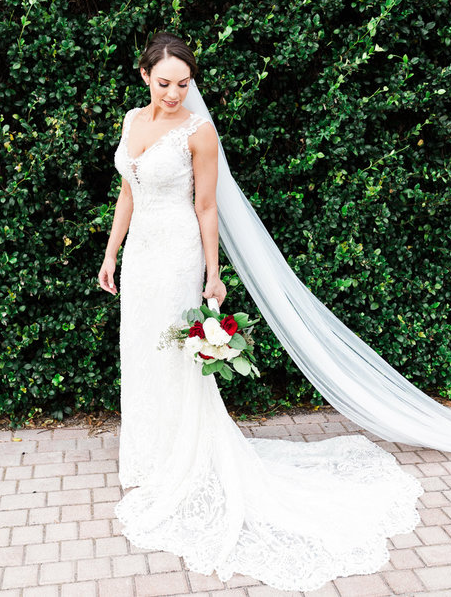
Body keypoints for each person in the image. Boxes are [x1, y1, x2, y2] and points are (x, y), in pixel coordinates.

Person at [96, 32, 424, 591]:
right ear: (144, 76)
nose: (174, 93)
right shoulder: (131, 121)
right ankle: (146, 462)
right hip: (140, 256)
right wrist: (110, 253)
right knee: (139, 353)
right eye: (164, 82)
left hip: (176, 254)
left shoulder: (199, 135)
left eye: (183, 83)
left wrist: (213, 274)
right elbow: (128, 191)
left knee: (174, 357)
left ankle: (186, 463)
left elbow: (205, 207)